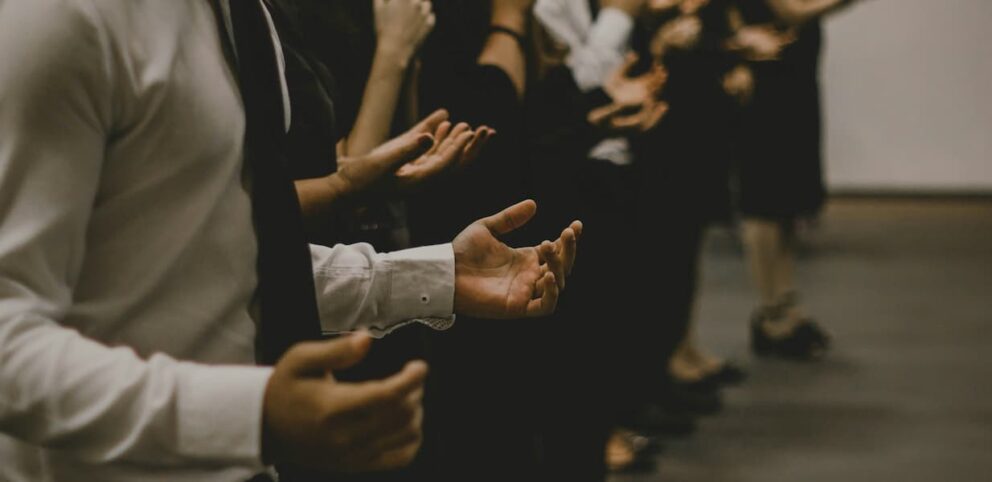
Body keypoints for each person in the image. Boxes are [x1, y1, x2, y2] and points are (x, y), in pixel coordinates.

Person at [0, 1, 580, 480]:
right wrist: (247, 413)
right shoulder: (61, 18)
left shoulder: (239, 16)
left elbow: (220, 265)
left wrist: (433, 276)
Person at [733, 0, 856, 359]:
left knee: (785, 207)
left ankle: (785, 304)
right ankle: (771, 313)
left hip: (791, 79)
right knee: (763, 204)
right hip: (766, 82)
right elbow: (791, 10)